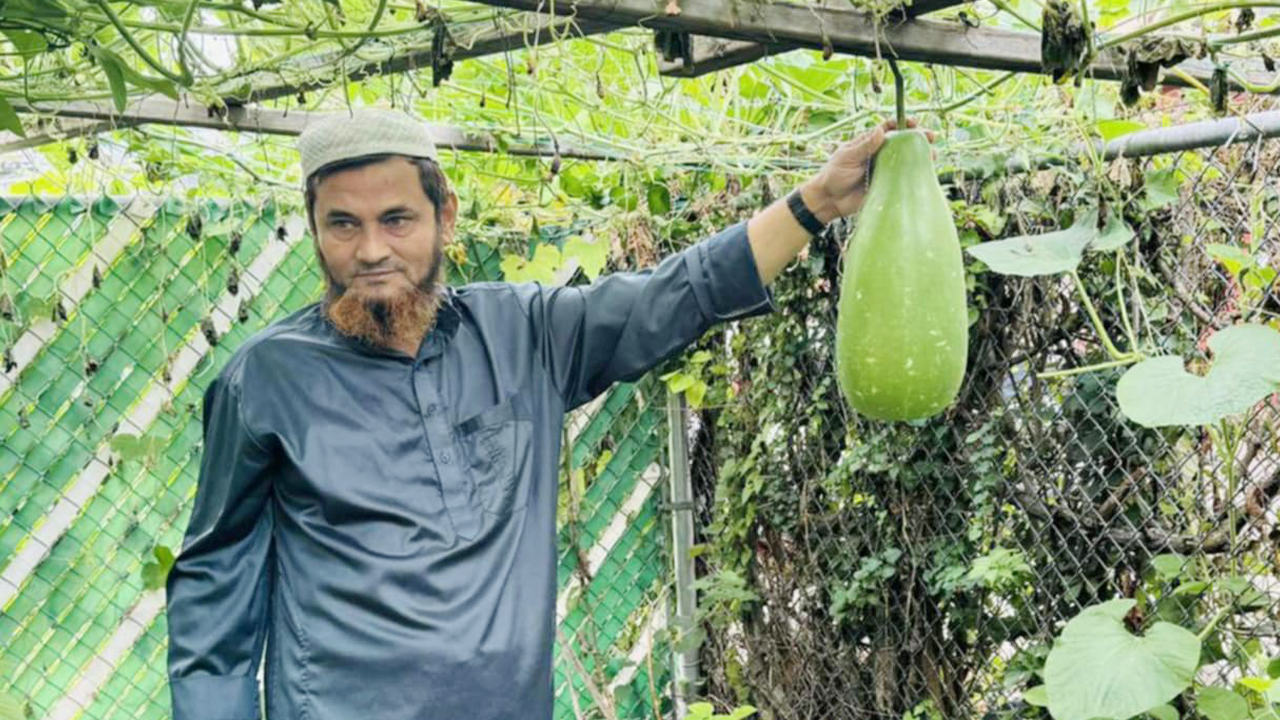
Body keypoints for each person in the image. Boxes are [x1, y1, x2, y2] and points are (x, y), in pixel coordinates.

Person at [165, 107, 919, 720]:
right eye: (343, 224)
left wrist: (814, 203)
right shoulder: (264, 379)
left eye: (396, 219)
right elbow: (213, 593)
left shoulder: (527, 335)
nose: (370, 250)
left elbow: (674, 293)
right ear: (315, 224)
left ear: (444, 215)